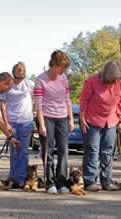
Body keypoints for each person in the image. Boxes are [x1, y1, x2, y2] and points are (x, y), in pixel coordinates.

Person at [79, 60, 121, 191]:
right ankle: (90, 181)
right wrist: (82, 118)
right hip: (92, 120)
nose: (114, 82)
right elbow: (84, 100)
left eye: (116, 79)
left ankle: (107, 181)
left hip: (111, 120)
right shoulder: (92, 81)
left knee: (108, 151)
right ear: (107, 74)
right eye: (112, 78)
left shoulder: (119, 84)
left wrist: (120, 120)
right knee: (92, 150)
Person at [34, 50, 74, 194]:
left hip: (62, 117)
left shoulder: (64, 79)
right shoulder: (40, 80)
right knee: (48, 151)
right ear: (54, 65)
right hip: (47, 118)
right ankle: (50, 183)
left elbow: (67, 99)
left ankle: (61, 182)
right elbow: (38, 105)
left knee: (63, 150)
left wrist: (70, 119)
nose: (64, 71)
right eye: (62, 67)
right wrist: (42, 124)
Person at [0, 62, 35, 187]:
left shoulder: (29, 84)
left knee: (24, 151)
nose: (19, 80)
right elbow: (2, 104)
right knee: (14, 151)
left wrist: (31, 104)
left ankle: (22, 178)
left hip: (26, 121)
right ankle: (13, 177)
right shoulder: (9, 86)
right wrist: (6, 123)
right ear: (13, 74)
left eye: (21, 77)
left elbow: (38, 94)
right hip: (12, 122)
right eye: (17, 77)